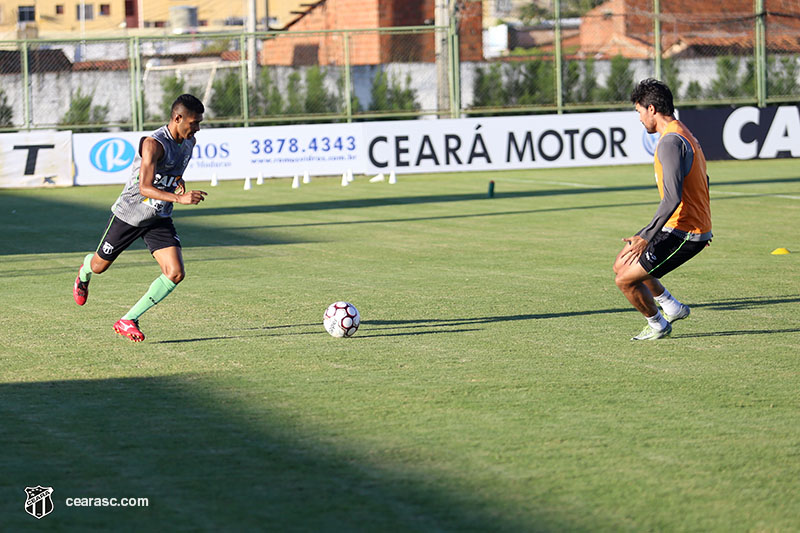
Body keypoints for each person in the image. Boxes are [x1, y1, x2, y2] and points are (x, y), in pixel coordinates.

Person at [73, 94, 208, 342]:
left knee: (175, 272)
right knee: (99, 267)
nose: (197, 127)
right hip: (130, 214)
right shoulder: (153, 144)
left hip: (158, 216)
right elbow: (145, 187)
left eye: (199, 122)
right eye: (193, 122)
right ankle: (84, 271)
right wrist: (180, 198)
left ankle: (128, 320)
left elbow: (171, 172)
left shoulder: (190, 141)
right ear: (177, 118)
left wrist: (177, 182)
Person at [613, 78, 712, 340]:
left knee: (624, 280)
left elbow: (672, 199)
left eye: (639, 112)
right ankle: (672, 307)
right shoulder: (683, 132)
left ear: (652, 109)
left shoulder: (670, 142)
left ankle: (657, 324)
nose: (639, 118)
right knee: (621, 264)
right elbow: (704, 180)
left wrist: (646, 236)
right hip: (682, 225)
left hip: (684, 232)